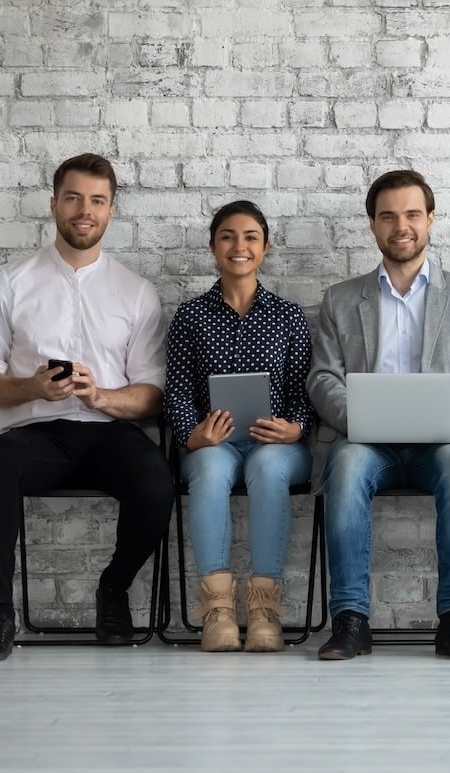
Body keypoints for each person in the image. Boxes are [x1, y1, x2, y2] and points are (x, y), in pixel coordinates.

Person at [0, 153, 173, 662]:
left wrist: (99, 396)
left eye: (97, 201)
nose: (85, 210)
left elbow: (152, 394)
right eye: (74, 198)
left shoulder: (137, 293)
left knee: (157, 480)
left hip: (109, 433)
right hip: (38, 433)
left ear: (111, 210)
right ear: (54, 203)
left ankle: (113, 590)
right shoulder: (10, 282)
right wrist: (32, 387)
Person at [307, 170, 450, 661]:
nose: (402, 226)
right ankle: (351, 619)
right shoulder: (340, 299)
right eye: (389, 216)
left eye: (413, 214)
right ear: (373, 225)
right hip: (365, 439)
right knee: (349, 464)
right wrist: (357, 420)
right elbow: (321, 379)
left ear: (431, 220)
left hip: (443, 440)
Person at [163, 201, 314, 653]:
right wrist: (193, 434)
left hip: (278, 445)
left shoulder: (288, 317)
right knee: (208, 468)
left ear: (265, 248)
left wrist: (296, 427)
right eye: (227, 236)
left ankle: (265, 609)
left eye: (250, 237)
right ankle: (219, 612)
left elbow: (305, 391)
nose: (239, 246)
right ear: (213, 247)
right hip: (215, 444)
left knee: (268, 467)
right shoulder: (190, 317)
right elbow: (177, 390)